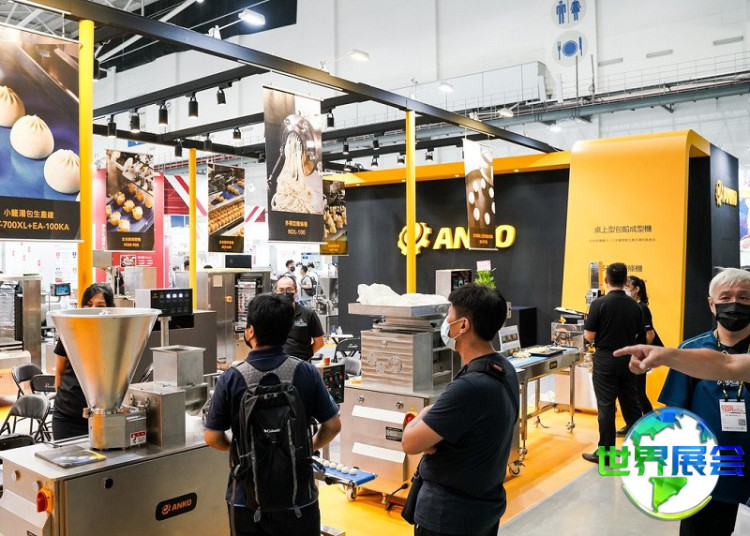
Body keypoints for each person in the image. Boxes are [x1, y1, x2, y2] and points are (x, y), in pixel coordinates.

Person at [204, 293, 341, 536]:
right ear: (287, 331)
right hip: (299, 498)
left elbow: (212, 437)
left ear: (250, 331)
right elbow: (333, 426)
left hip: (246, 499)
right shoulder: (306, 372)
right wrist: (306, 446)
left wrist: (239, 447)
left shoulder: (231, 378)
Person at [401, 283, 519, 536]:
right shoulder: (504, 369)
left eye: (449, 316)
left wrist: (424, 415)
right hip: (484, 510)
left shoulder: (470, 387)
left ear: (463, 325)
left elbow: (410, 442)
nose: (446, 322)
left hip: (448, 517)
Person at [643, 267, 750, 536]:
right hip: (709, 471)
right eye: (725, 297)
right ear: (711, 304)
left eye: (744, 297)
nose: (734, 304)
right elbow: (675, 416)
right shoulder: (690, 352)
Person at [582, 262, 644, 464]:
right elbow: (640, 336)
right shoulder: (635, 306)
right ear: (625, 281)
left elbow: (589, 336)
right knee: (631, 405)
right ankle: (640, 449)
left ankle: (606, 454)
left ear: (606, 280)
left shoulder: (599, 304)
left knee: (606, 408)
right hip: (628, 359)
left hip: (606, 360)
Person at [53, 282, 115, 440]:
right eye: (89, 304)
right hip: (67, 415)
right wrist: (62, 400)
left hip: (105, 416)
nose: (93, 309)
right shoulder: (70, 330)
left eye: (100, 305)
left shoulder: (116, 334)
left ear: (110, 308)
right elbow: (59, 372)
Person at [621, 275, 662, 429]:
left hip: (639, 356)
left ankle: (652, 423)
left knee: (639, 393)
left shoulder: (642, 308)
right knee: (631, 392)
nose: (625, 289)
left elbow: (649, 335)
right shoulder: (630, 307)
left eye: (628, 286)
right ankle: (632, 423)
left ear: (637, 289)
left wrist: (641, 354)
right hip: (631, 355)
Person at [274, 276, 324, 360]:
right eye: (281, 290)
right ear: (276, 292)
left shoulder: (308, 314)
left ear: (296, 291)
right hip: (277, 363)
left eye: (289, 289)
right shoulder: (270, 315)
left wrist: (305, 356)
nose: (285, 293)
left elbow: (319, 342)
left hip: (301, 363)